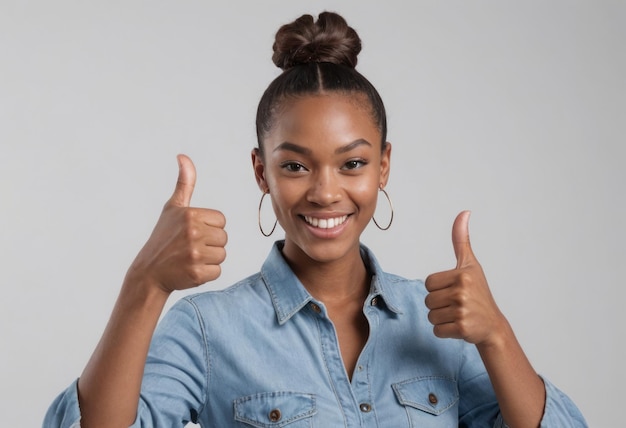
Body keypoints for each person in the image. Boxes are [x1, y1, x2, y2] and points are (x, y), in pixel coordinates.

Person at [44, 11, 587, 428]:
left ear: (384, 165)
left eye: (352, 163)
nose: (326, 192)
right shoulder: (208, 331)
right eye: (296, 165)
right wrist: (145, 283)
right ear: (262, 172)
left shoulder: (440, 323)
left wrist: (496, 335)